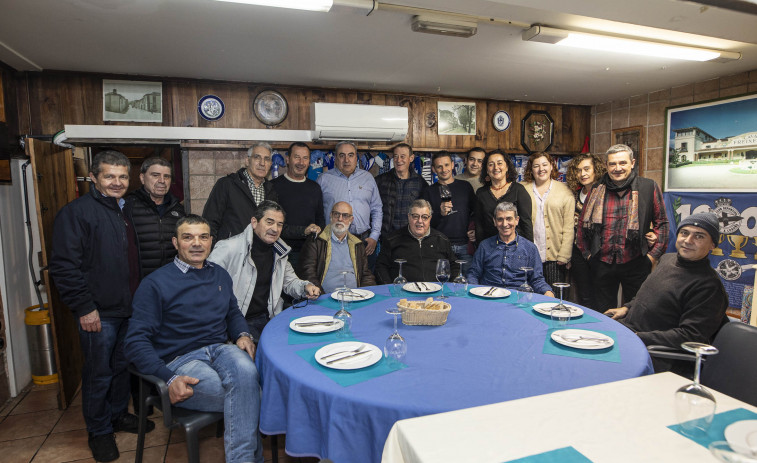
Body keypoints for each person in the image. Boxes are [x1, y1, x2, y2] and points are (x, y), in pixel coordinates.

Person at [125, 215, 264, 463]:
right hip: (182, 361)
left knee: (247, 372)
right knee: (253, 394)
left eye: (203, 237)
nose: (196, 243)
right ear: (176, 243)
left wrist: (242, 334)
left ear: (211, 241)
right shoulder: (155, 284)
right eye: (188, 237)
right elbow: (135, 343)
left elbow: (232, 311)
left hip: (222, 349)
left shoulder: (220, 275)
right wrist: (170, 378)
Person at [49, 150, 151, 462]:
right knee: (98, 373)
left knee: (121, 367)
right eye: (110, 176)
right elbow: (64, 266)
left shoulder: (124, 209)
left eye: (122, 176)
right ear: (94, 178)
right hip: (98, 312)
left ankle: (118, 415)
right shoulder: (77, 212)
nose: (118, 182)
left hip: (127, 309)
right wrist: (84, 307)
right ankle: (99, 431)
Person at [605, 212, 728, 371]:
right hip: (630, 333)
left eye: (699, 236)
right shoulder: (667, 259)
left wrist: (638, 337)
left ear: (713, 245)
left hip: (655, 353)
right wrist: (627, 307)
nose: (688, 241)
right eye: (684, 233)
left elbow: (690, 336)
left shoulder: (709, 287)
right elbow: (647, 294)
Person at [208, 200, 320, 341]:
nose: (275, 229)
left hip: (269, 319)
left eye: (279, 224)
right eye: (269, 222)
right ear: (254, 222)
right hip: (237, 322)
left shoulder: (280, 251)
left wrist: (306, 287)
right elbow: (207, 286)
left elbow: (290, 282)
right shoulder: (229, 248)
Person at [576, 144, 669, 312]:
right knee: (603, 314)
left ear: (632, 163)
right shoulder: (596, 189)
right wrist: (588, 255)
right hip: (602, 262)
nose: (617, 168)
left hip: (636, 261)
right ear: (606, 165)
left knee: (636, 311)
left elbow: (661, 223)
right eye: (612, 164)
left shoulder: (648, 187)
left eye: (622, 163)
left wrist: (652, 257)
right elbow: (582, 226)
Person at [468, 202, 554, 296]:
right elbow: (473, 274)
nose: (505, 224)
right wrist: (475, 293)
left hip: (519, 298)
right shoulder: (484, 246)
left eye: (509, 219)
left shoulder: (530, 248)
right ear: (494, 222)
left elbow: (537, 279)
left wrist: (548, 292)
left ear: (517, 220)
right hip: (489, 297)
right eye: (500, 219)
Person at [317, 141, 382, 263]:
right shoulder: (323, 180)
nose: (346, 160)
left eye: (351, 155)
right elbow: (316, 212)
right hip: (334, 243)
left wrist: (374, 237)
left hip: (364, 242)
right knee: (337, 279)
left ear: (356, 158)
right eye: (342, 155)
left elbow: (377, 208)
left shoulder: (368, 178)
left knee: (366, 280)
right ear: (336, 158)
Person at [203, 141, 278, 242]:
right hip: (230, 253)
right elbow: (210, 221)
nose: (262, 163)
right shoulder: (227, 184)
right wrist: (214, 251)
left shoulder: (271, 190)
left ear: (270, 164)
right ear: (247, 161)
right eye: (257, 157)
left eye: (267, 159)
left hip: (258, 252)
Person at [125, 157, 186, 277]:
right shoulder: (128, 207)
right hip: (140, 282)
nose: (162, 181)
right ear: (142, 178)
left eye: (167, 176)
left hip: (171, 280)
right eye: (155, 175)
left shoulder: (178, 209)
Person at [520, 152, 575, 285]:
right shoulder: (521, 188)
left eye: (545, 164)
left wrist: (565, 254)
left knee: (554, 297)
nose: (541, 169)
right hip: (528, 255)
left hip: (555, 257)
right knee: (529, 294)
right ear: (531, 169)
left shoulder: (565, 190)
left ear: (552, 166)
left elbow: (568, 226)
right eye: (536, 166)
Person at [299, 201, 376, 293]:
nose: (340, 219)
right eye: (336, 214)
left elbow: (365, 275)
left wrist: (366, 294)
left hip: (354, 298)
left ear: (351, 219)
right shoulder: (316, 240)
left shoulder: (357, 244)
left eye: (345, 215)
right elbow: (308, 273)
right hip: (324, 298)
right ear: (331, 216)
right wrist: (321, 296)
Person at [375, 199, 459, 284]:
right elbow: (381, 267)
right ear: (409, 217)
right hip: (403, 293)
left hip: (435, 293)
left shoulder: (442, 240)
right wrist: (390, 289)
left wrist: (449, 288)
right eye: (415, 216)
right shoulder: (392, 240)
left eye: (424, 217)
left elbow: (455, 265)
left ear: (430, 218)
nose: (420, 221)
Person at [270, 142, 325, 268]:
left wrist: (318, 231)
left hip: (310, 253)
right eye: (297, 157)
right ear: (288, 159)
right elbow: (272, 225)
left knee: (308, 287)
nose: (301, 162)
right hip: (281, 253)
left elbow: (320, 220)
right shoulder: (273, 187)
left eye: (305, 158)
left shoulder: (315, 188)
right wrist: (303, 231)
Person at [565, 152, 606, 307]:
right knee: (584, 295)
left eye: (587, 169)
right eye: (579, 170)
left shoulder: (605, 192)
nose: (583, 174)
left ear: (596, 169)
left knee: (601, 294)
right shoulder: (574, 195)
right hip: (578, 252)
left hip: (599, 252)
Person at [422, 151, 476, 264]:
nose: (444, 169)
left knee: (466, 280)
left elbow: (475, 212)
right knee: (440, 280)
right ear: (433, 169)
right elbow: (424, 222)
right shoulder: (428, 191)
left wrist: (473, 229)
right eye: (439, 166)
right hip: (439, 246)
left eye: (446, 165)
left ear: (452, 165)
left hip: (464, 246)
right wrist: (439, 213)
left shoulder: (465, 187)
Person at [474, 149, 533, 243]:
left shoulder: (519, 190)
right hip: (490, 248)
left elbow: (526, 224)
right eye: (491, 164)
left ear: (507, 167)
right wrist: (480, 248)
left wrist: (529, 249)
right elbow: (479, 225)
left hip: (515, 246)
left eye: (499, 163)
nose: (495, 167)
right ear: (487, 170)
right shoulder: (481, 193)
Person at [375, 143, 428, 235]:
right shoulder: (380, 181)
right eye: (396, 156)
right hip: (387, 237)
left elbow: (426, 211)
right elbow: (373, 209)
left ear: (411, 158)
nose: (399, 160)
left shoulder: (420, 183)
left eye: (403, 156)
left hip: (411, 237)